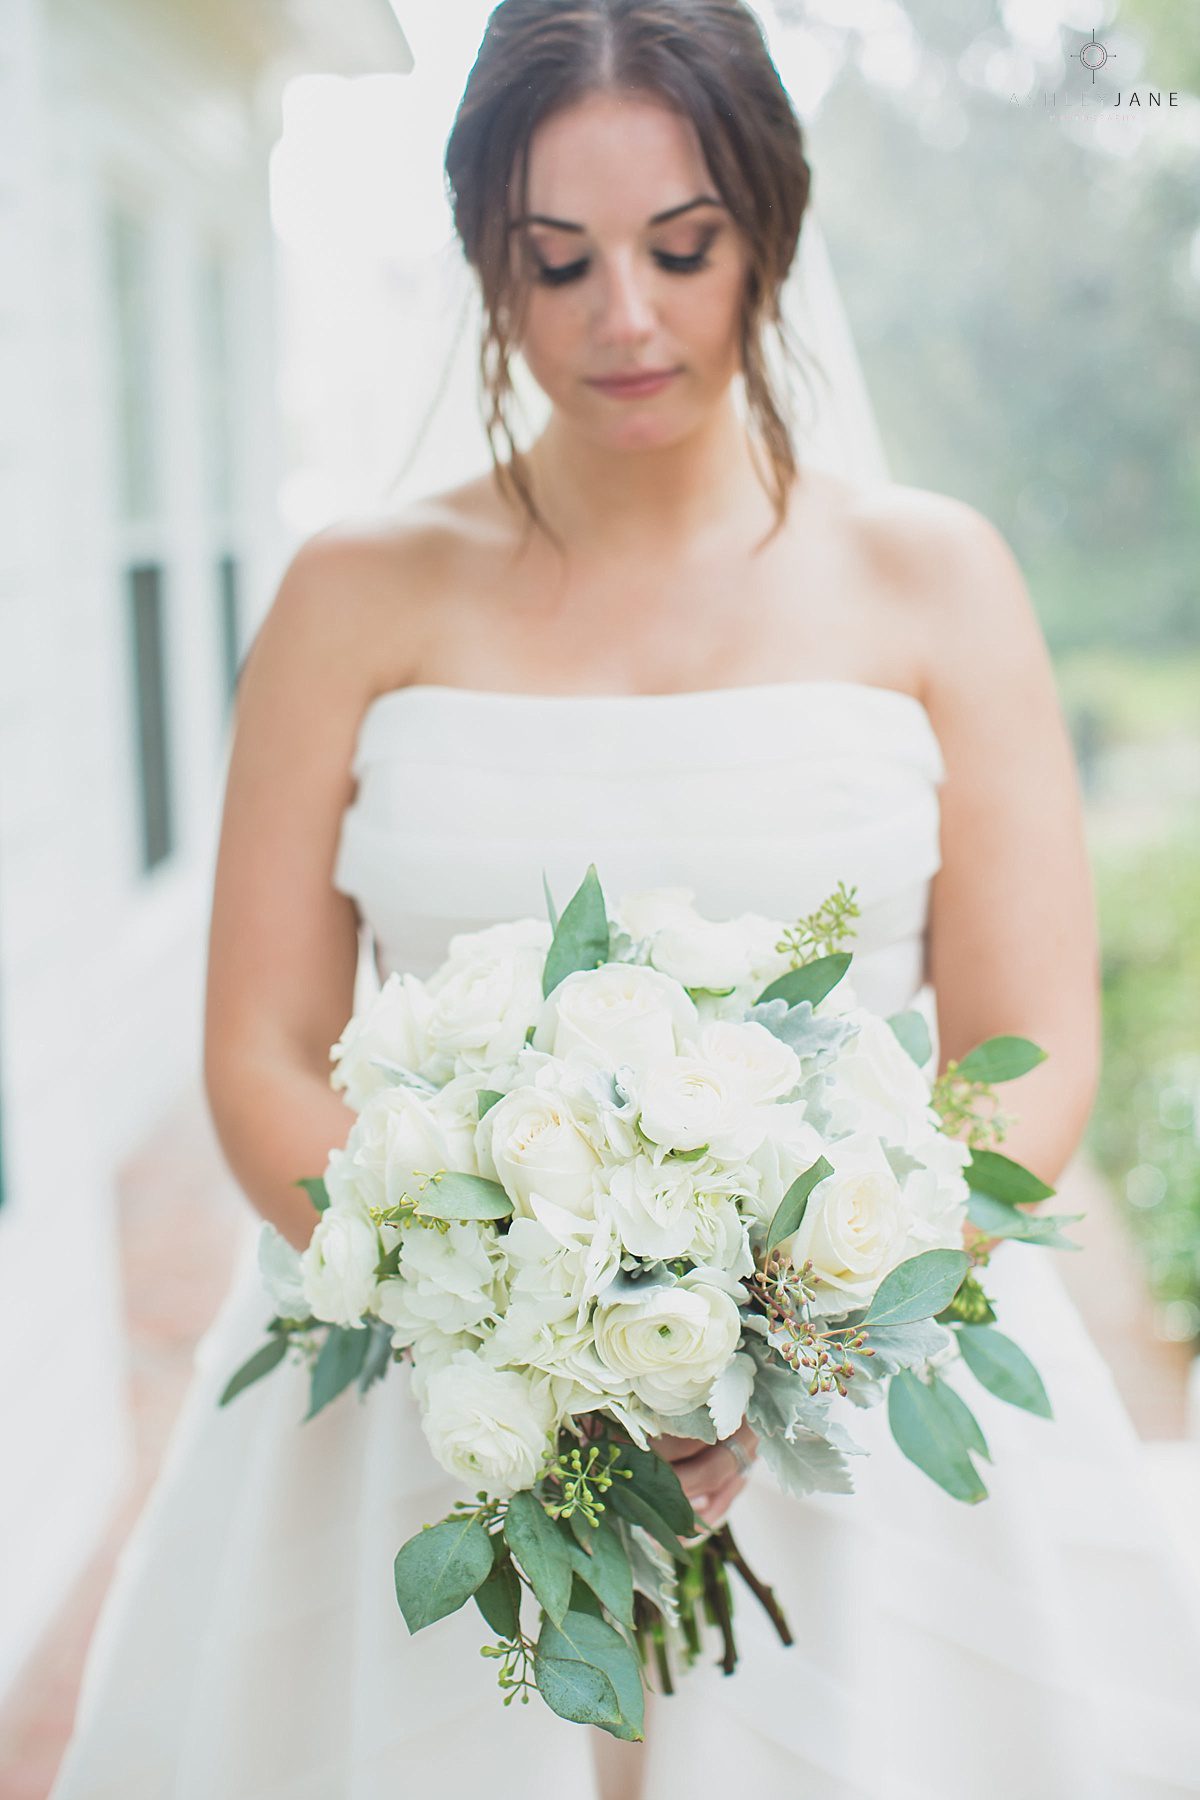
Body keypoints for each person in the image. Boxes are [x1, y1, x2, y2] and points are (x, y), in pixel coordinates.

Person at [50, 3, 1200, 1795]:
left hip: (860, 1410)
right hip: (424, 1409)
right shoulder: (351, 597)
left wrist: (784, 1331)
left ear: (770, 229)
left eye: (681, 247)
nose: (626, 320)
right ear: (484, 260)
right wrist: (503, 1326)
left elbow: (1026, 1049)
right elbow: (262, 1047)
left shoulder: (936, 579)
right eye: (558, 260)